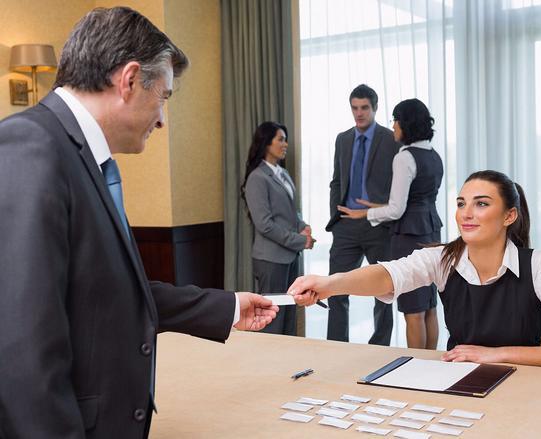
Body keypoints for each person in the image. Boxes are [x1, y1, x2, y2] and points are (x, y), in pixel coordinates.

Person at [0, 7, 278, 438]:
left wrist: (225, 307)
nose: (163, 119)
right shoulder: (30, 145)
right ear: (129, 80)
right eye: (164, 96)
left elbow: (108, 290)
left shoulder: (81, 158)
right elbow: (23, 352)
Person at [291, 170, 541, 369]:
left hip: (524, 388)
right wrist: (331, 284)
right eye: (461, 203)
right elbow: (388, 275)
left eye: (481, 204)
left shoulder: (540, 265)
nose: (466, 214)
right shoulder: (443, 259)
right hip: (457, 383)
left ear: (509, 216)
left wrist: (495, 354)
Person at [338, 98, 443, 349]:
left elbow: (397, 209)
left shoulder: (405, 157)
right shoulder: (434, 155)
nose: (393, 126)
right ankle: (432, 365)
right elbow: (418, 198)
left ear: (405, 123)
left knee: (412, 309)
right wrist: (374, 206)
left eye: (395, 120)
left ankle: (417, 369)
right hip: (431, 230)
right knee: (429, 306)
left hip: (408, 235)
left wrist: (364, 214)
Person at [326, 84, 402, 345]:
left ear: (375, 108)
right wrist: (335, 217)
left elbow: (397, 184)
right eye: (355, 108)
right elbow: (336, 180)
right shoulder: (342, 139)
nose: (359, 113)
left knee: (383, 290)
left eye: (364, 108)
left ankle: (379, 346)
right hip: (345, 226)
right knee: (334, 288)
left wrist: (380, 212)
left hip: (378, 226)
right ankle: (336, 345)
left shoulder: (391, 138)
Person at [242, 121, 314, 335]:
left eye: (286, 139)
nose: (285, 144)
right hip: (271, 259)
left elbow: (291, 212)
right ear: (266, 143)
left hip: (290, 257)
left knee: (289, 316)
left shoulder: (283, 174)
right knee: (272, 319)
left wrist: (304, 226)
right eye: (280, 139)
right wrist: (301, 241)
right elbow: (264, 225)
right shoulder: (257, 177)